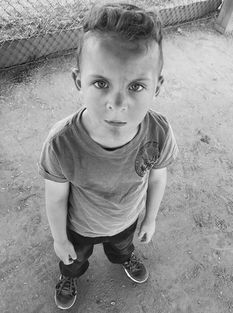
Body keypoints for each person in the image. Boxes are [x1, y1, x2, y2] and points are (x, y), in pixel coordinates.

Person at [38, 2, 178, 310]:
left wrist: (150, 218)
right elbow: (56, 198)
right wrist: (60, 239)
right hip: (80, 226)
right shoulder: (62, 143)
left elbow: (157, 176)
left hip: (126, 219)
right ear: (78, 82)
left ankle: (124, 257)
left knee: (121, 247)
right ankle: (70, 275)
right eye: (101, 83)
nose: (117, 103)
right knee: (75, 258)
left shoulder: (159, 133)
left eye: (136, 86)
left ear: (157, 87)